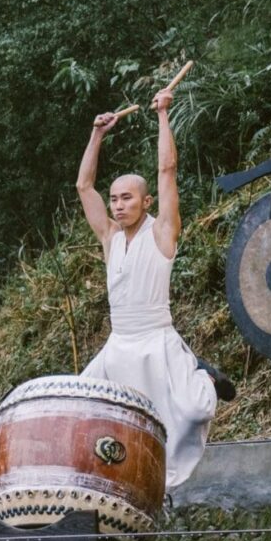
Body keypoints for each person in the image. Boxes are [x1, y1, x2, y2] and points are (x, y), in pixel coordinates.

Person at [75, 86, 230, 488]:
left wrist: (163, 114)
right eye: (114, 199)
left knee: (194, 412)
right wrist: (97, 135)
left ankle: (207, 379)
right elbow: (84, 188)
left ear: (146, 203)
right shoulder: (110, 237)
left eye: (127, 198)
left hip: (156, 340)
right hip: (119, 345)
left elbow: (167, 171)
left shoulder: (162, 233)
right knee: (83, 409)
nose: (118, 205)